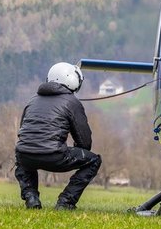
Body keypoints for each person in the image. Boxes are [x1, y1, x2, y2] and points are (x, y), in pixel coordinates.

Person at [14, 62, 102, 210]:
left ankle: (31, 197)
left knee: (23, 154)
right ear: (72, 80)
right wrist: (78, 151)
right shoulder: (72, 102)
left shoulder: (32, 100)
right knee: (93, 160)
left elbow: (24, 134)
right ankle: (66, 202)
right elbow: (84, 140)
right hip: (54, 155)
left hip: (25, 155)